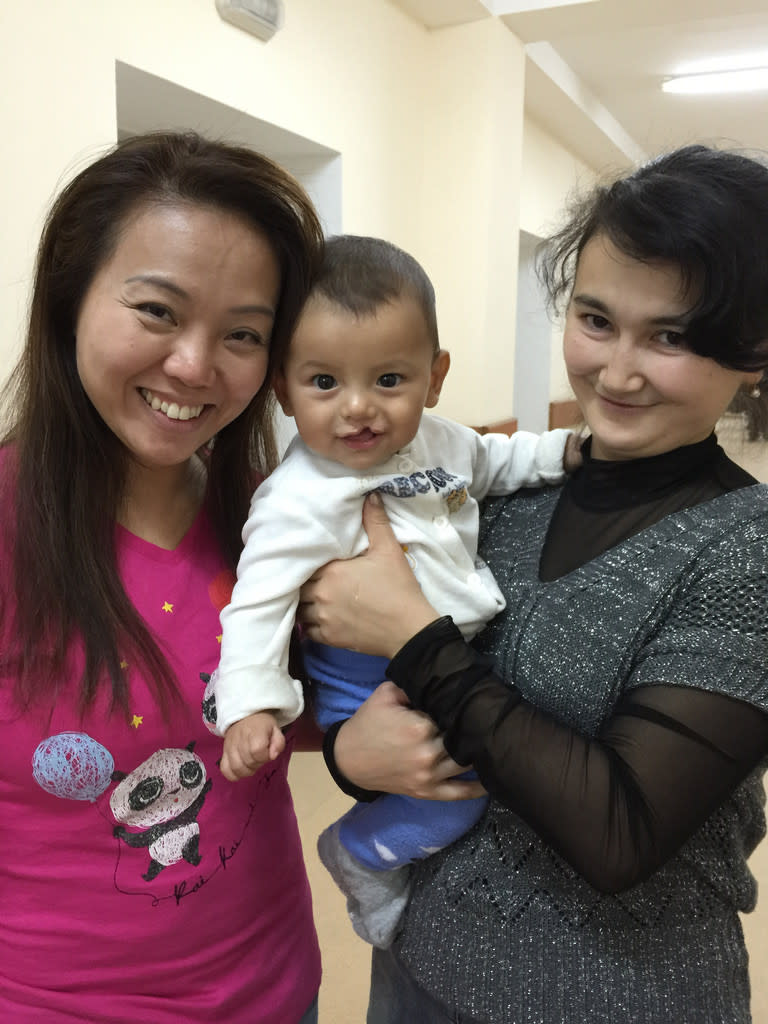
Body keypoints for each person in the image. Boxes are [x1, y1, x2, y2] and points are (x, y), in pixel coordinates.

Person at [299, 144, 768, 1023]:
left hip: (617, 996)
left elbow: (621, 831)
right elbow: (402, 710)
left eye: (670, 336)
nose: (617, 371)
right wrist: (351, 759)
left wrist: (415, 639)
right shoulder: (508, 487)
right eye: (596, 319)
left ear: (754, 352)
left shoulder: (747, 550)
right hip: (419, 967)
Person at [0, 130, 330, 1024]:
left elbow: (297, 721)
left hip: (275, 986)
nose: (194, 365)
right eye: (156, 311)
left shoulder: (277, 521)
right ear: (72, 299)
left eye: (243, 335)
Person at [209, 234, 578, 947]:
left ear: (434, 378)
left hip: (438, 648)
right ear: (281, 385)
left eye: (388, 380)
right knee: (456, 796)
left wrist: (563, 450)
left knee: (491, 754)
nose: (357, 409)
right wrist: (248, 704)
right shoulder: (295, 500)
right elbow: (256, 604)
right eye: (324, 383)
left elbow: (496, 460)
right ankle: (359, 853)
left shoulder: (440, 441)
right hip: (364, 678)